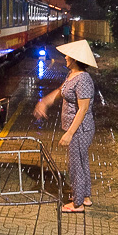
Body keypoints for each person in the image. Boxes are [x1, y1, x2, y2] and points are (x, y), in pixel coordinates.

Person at [33, 39, 97, 213]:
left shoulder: (83, 79)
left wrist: (69, 133)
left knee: (75, 164)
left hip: (80, 129)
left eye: (68, 55)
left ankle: (77, 204)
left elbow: (83, 109)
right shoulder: (72, 75)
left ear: (75, 59)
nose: (65, 57)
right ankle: (84, 196)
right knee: (82, 162)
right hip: (77, 129)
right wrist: (45, 101)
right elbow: (62, 91)